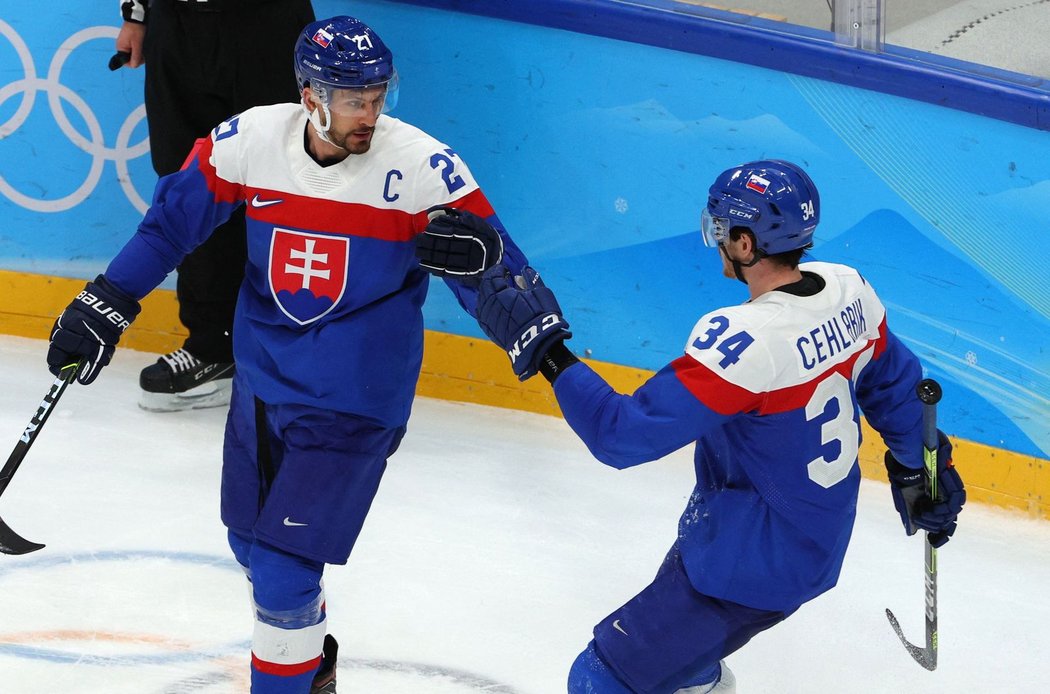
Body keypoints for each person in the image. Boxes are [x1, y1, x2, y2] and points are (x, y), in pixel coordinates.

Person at [48, 15, 527, 694]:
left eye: (378, 96)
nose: (371, 113)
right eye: (355, 99)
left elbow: (503, 275)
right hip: (264, 389)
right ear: (310, 95)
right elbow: (170, 226)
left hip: (356, 402)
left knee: (279, 568)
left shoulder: (420, 165)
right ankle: (308, 664)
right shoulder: (248, 141)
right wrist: (108, 300)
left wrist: (534, 330)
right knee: (250, 548)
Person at [435, 160, 966, 693]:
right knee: (676, 661)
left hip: (748, 563)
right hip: (794, 537)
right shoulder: (848, 290)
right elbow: (894, 385)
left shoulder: (747, 343)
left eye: (720, 230)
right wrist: (924, 468)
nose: (714, 240)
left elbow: (620, 437)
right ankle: (695, 677)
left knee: (601, 679)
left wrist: (549, 352)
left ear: (743, 243)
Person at [115, 0, 315, 411]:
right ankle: (211, 350)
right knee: (188, 183)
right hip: (176, 24)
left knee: (284, 179)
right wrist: (135, 16)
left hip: (267, 26)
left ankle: (291, 350)